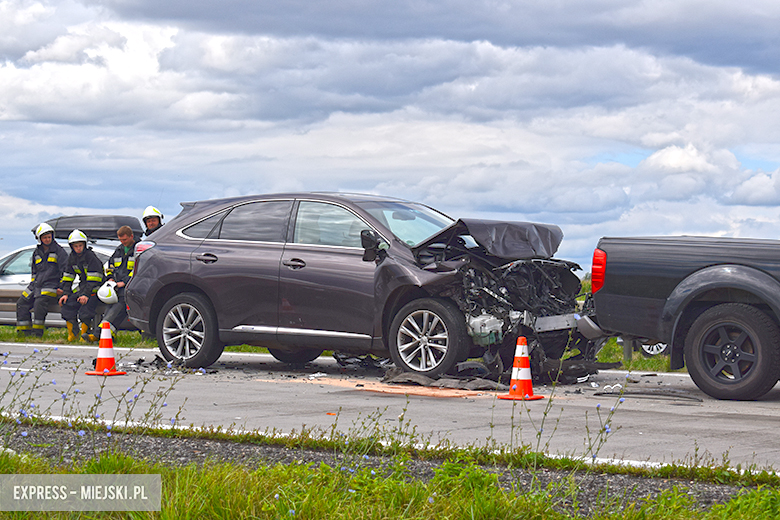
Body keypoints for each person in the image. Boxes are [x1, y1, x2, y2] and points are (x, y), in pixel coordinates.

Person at [16, 223, 69, 337]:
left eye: (49, 237)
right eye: (45, 237)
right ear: (39, 239)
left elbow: (66, 271)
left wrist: (61, 287)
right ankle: (23, 333)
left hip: (51, 286)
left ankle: (37, 334)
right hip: (36, 286)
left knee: (39, 303)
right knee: (21, 303)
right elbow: (34, 271)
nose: (47, 239)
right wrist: (32, 285)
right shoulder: (37, 252)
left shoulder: (59, 251)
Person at [58, 230, 104, 342]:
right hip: (83, 288)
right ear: (72, 246)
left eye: (80, 245)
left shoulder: (91, 257)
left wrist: (85, 295)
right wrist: (66, 294)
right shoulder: (72, 258)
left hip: (96, 289)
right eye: (76, 246)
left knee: (86, 308)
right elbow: (68, 277)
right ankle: (73, 335)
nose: (78, 248)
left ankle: (84, 336)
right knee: (67, 304)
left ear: (84, 245)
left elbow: (94, 279)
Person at [99, 225, 139, 335]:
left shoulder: (138, 249)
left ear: (131, 236)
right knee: (110, 302)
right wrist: (110, 278)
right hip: (116, 285)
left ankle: (101, 331)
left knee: (120, 303)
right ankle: (105, 331)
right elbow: (110, 266)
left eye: (124, 239)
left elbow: (137, 270)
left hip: (131, 286)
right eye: (120, 240)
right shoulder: (119, 250)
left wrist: (125, 282)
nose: (122, 242)